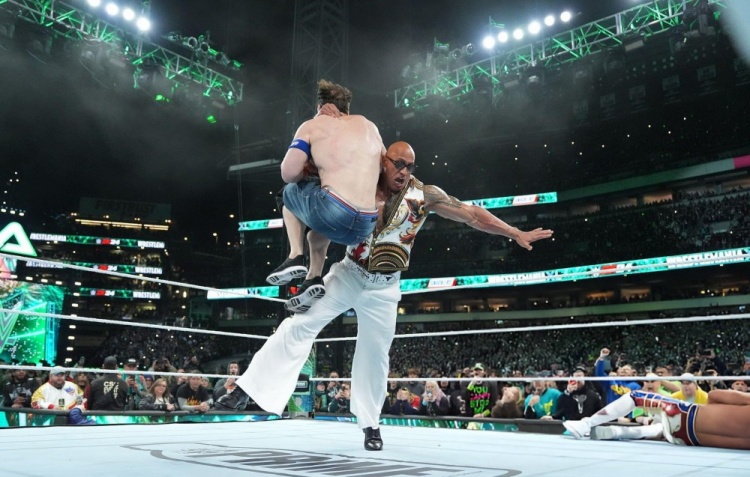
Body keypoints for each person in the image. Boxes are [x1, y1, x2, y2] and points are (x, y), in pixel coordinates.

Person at [218, 139, 553, 451]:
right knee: (300, 323)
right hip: (349, 273)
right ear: (383, 161)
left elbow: (472, 214)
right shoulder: (357, 185)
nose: (404, 171)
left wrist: (513, 231)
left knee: (375, 354)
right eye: (398, 164)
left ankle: (370, 424)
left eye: (410, 165)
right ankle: (247, 389)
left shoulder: (424, 195)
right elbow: (319, 210)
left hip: (385, 287)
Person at [266, 80, 384, 310]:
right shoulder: (370, 126)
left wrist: (312, 163)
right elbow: (382, 167)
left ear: (320, 106)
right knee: (315, 235)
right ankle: (313, 278)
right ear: (347, 107)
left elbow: (288, 174)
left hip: (335, 211)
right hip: (365, 225)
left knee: (288, 193)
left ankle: (295, 255)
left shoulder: (312, 125)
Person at [564, 387, 750, 450]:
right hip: (687, 440)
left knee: (635, 396)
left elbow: (714, 395)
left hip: (684, 415)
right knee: (661, 430)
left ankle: (586, 424)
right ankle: (617, 431)